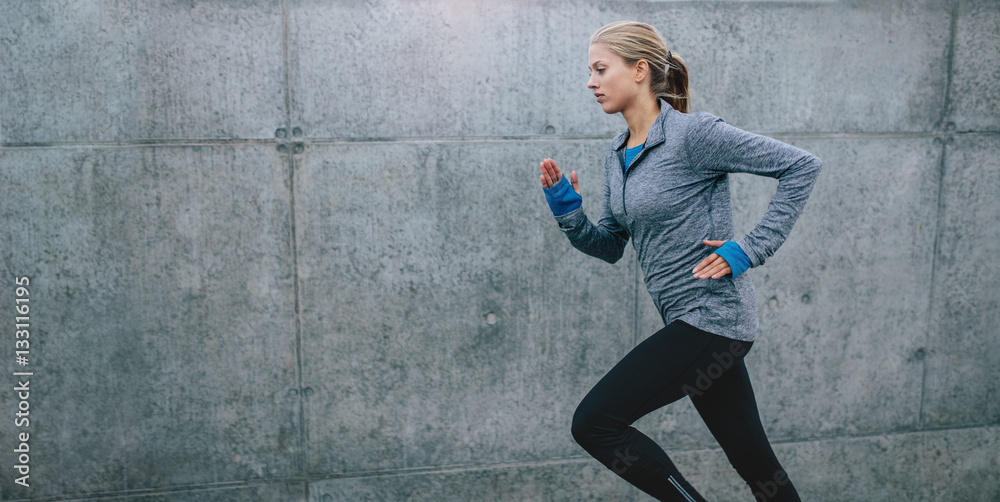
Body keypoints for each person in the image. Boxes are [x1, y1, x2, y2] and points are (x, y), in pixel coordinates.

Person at [538, 21, 821, 502]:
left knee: (595, 423)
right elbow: (611, 246)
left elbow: (801, 166)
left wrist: (749, 249)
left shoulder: (693, 135)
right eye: (591, 71)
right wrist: (569, 213)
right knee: (758, 467)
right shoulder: (617, 154)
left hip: (713, 319)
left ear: (640, 70)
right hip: (694, 326)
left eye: (601, 69)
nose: (591, 81)